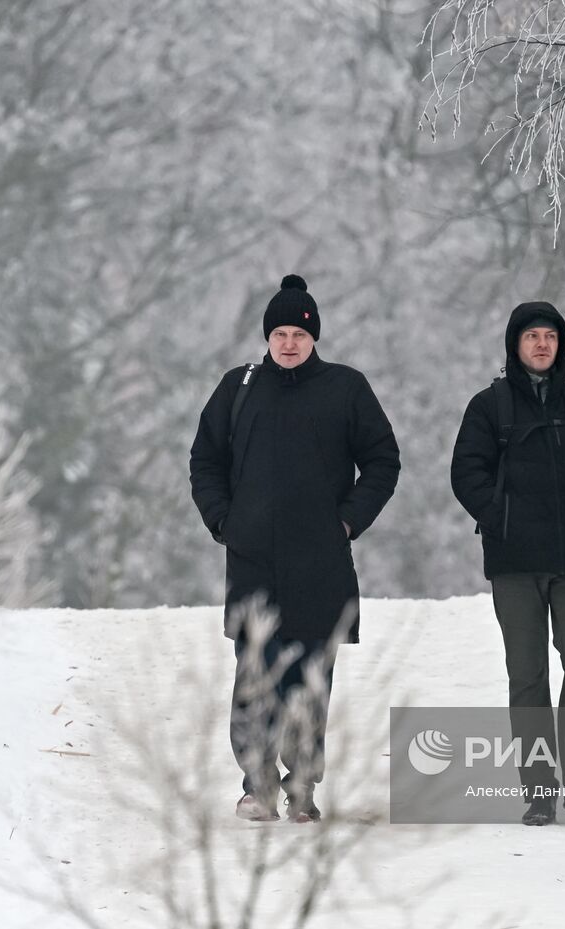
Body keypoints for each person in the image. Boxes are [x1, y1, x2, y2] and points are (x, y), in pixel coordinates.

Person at [190, 274, 400, 823]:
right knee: (254, 682)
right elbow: (204, 461)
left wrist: (349, 521)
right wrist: (223, 521)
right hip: (253, 563)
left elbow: (382, 461)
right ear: (267, 336)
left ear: (314, 338)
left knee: (309, 684)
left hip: (320, 566)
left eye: (299, 334)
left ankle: (302, 788)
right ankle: (257, 787)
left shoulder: (346, 389)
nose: (288, 342)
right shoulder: (238, 388)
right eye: (280, 332)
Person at [450, 301, 565, 826]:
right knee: (527, 677)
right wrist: (500, 517)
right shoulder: (490, 408)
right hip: (515, 564)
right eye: (532, 337)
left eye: (550, 336)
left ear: (561, 345)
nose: (542, 344)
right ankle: (539, 792)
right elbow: (465, 473)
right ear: (515, 345)